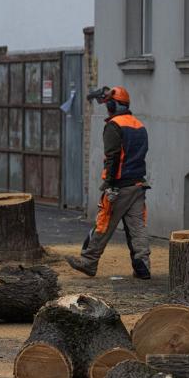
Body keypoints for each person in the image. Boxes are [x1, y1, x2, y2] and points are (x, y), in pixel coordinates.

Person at [66, 86, 151, 279]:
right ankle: (143, 266)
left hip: (120, 186)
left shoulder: (114, 126)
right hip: (138, 185)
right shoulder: (139, 125)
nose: (107, 108)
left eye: (108, 105)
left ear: (114, 105)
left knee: (103, 223)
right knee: (137, 227)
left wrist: (110, 184)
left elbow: (112, 157)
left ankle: (89, 261)